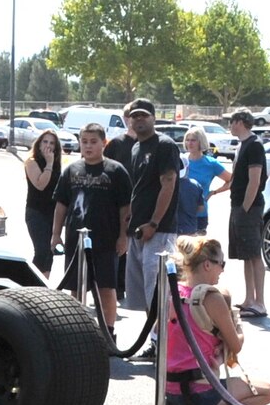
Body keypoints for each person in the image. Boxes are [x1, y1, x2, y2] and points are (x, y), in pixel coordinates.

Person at [165, 233, 270, 405]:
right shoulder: (210, 297)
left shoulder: (173, 291)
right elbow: (236, 345)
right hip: (201, 390)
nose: (222, 270)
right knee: (269, 391)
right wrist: (237, 322)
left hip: (170, 388)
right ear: (207, 265)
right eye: (221, 264)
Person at [51, 121, 131, 334]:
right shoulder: (71, 170)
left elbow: (126, 209)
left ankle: (108, 332)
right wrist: (55, 234)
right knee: (76, 287)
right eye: (84, 141)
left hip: (106, 239)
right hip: (75, 240)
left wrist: (124, 237)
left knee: (106, 287)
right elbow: (61, 204)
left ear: (103, 143)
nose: (88, 146)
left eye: (93, 142)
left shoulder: (116, 171)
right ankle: (78, 330)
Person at [107, 99, 181, 315]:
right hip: (137, 231)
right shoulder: (136, 147)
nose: (139, 119)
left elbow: (168, 184)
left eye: (144, 115)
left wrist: (154, 223)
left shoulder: (165, 145)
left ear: (153, 118)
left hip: (159, 230)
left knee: (158, 295)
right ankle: (153, 342)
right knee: (142, 298)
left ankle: (162, 346)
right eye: (135, 116)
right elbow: (138, 187)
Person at [225, 109, 269, 316]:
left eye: (232, 121)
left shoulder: (255, 146)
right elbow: (235, 178)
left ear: (241, 122)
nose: (230, 125)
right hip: (238, 206)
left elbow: (255, 180)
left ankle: (260, 302)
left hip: (249, 208)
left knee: (254, 253)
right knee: (245, 255)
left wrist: (245, 208)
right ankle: (249, 299)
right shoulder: (241, 145)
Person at [22, 129, 63, 277]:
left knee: (49, 252)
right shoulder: (32, 162)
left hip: (52, 212)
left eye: (52, 143)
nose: (48, 145)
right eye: (45, 141)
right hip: (36, 211)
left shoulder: (57, 164)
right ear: (39, 144)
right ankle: (31, 283)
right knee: (41, 250)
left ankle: (45, 284)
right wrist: (49, 164)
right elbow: (40, 184)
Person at [175, 125, 229, 238]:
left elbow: (231, 180)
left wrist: (214, 192)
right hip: (178, 213)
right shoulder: (181, 160)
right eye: (188, 140)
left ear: (201, 142)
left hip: (200, 214)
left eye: (193, 140)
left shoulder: (211, 164)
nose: (190, 143)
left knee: (197, 252)